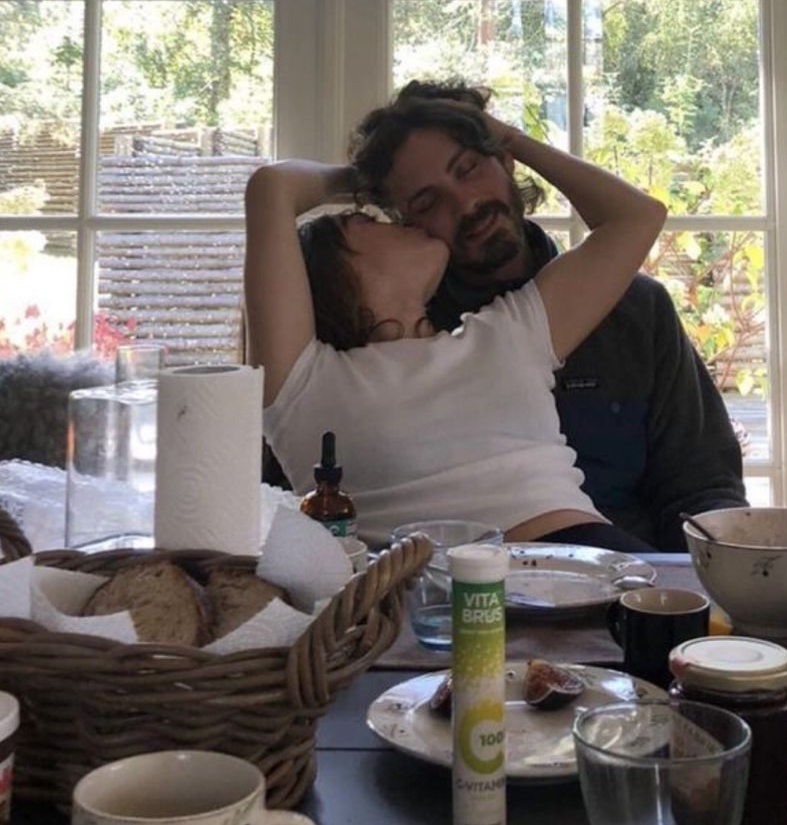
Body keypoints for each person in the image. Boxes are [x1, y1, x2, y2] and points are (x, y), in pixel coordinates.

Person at [348, 81, 748, 552]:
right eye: (427, 201)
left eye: (469, 168)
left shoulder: (637, 310)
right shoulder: (395, 339)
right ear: (403, 224)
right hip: (460, 599)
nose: (466, 204)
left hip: (629, 590)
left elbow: (702, 486)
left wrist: (682, 598)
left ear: (506, 160)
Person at [244, 105, 667, 550]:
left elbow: (636, 217)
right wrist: (370, 180)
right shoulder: (303, 383)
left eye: (466, 170)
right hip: (433, 596)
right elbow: (272, 188)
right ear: (334, 272)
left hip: (585, 560)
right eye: (372, 217)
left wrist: (512, 141)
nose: (404, 221)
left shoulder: (507, 331)